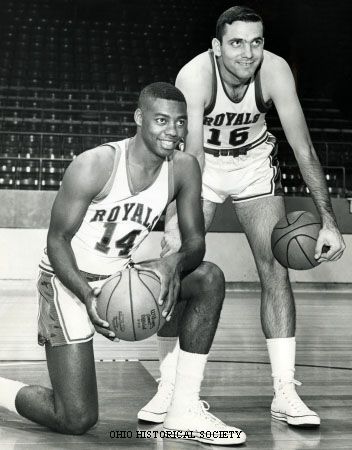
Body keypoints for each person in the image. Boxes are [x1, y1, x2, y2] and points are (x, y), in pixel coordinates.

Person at [0, 82, 245, 446]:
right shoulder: (95, 164)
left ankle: (183, 409)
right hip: (68, 283)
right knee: (76, 419)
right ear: (139, 118)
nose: (172, 131)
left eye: (180, 123)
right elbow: (56, 241)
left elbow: (196, 242)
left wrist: (174, 264)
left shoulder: (184, 168)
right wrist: (85, 294)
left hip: (119, 277)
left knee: (208, 277)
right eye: (161, 120)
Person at [140, 7, 346, 428]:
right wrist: (179, 226)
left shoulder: (275, 71)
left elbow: (303, 148)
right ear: (217, 47)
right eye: (236, 42)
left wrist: (328, 221)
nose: (248, 52)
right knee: (181, 263)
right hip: (205, 168)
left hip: (253, 165)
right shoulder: (195, 76)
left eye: (256, 41)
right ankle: (169, 386)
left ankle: (285, 389)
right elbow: (192, 155)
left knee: (274, 268)